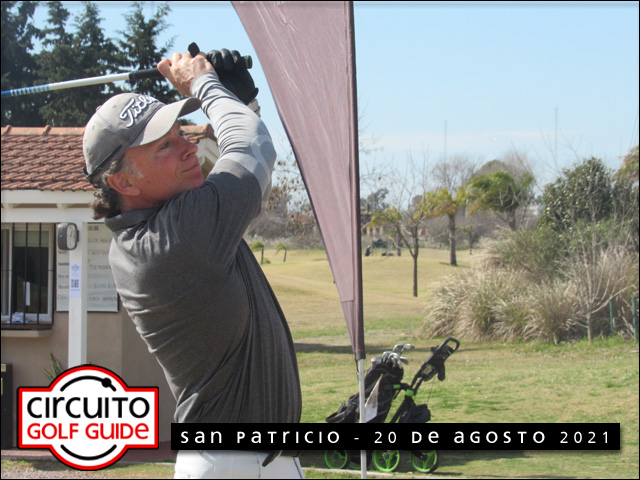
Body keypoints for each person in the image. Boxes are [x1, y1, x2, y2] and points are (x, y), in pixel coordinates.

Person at [82, 50, 303, 479]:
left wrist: (239, 103)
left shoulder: (159, 227)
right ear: (122, 181)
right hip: (233, 465)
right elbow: (253, 148)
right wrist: (205, 85)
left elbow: (242, 164)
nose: (190, 146)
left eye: (181, 132)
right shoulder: (174, 240)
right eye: (165, 145)